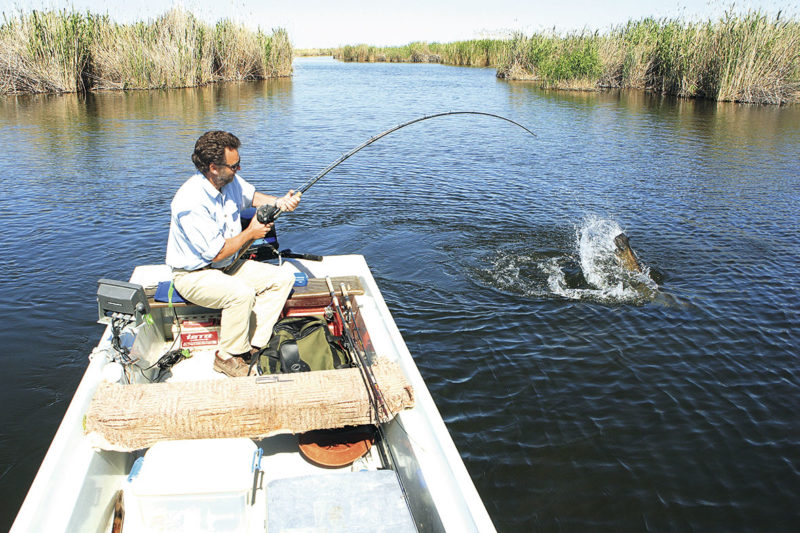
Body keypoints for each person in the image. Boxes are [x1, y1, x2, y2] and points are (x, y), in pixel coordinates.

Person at [166, 130, 301, 377]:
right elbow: (216, 253)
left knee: (283, 278)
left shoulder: (229, 182)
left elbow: (253, 197)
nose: (239, 169)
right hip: (194, 275)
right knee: (241, 294)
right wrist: (251, 232)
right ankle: (226, 356)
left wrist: (281, 202)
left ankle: (253, 346)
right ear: (213, 167)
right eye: (234, 165)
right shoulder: (191, 202)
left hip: (228, 266)